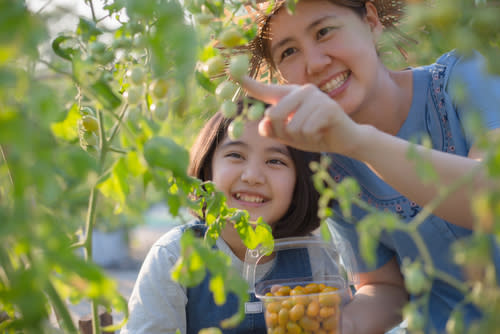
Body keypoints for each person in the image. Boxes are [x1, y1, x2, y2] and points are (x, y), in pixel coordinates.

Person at [236, 0, 500, 333]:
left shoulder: (468, 74)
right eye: (289, 52)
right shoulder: (331, 165)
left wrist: (359, 142)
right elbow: (384, 287)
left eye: (324, 31)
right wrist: (333, 325)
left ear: (371, 21)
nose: (314, 64)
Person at [120, 100, 323, 334]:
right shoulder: (173, 256)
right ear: (207, 171)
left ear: (300, 183)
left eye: (275, 161)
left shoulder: (314, 257)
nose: (252, 176)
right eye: (236, 155)